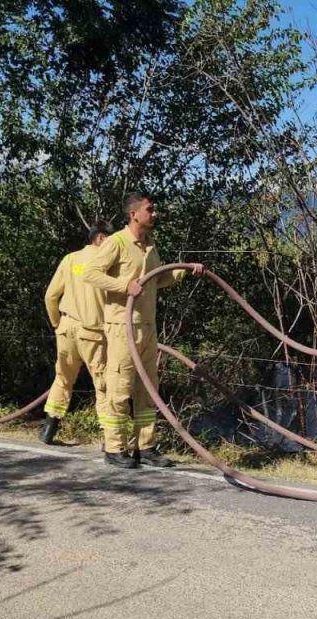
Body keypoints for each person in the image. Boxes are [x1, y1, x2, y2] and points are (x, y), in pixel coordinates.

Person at [83, 192, 203, 469]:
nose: (155, 213)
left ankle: (145, 447)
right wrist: (125, 286)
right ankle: (114, 448)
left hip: (148, 328)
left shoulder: (149, 247)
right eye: (150, 209)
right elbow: (90, 273)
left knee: (148, 389)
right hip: (122, 328)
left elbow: (156, 280)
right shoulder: (117, 243)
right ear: (133, 214)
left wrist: (185, 270)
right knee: (119, 388)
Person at [40, 221, 112, 445]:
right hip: (92, 331)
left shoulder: (70, 259)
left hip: (66, 329)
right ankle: (111, 441)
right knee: (103, 384)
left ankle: (48, 430)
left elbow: (51, 296)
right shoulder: (105, 262)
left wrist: (56, 323)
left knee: (62, 379)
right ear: (100, 238)